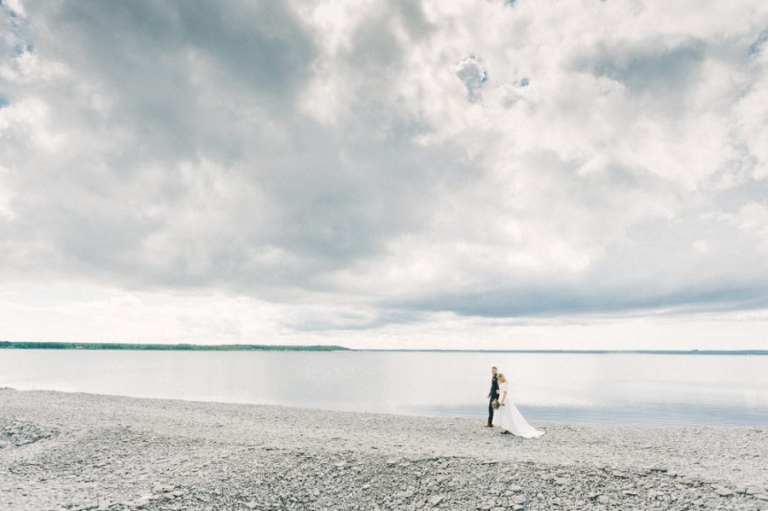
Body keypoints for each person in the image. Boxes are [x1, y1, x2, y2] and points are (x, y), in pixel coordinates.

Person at [492, 373, 545, 438]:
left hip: (504, 400)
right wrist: (499, 392)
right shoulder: (503, 383)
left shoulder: (504, 383)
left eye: (498, 378)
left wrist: (501, 401)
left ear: (500, 377)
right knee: (503, 413)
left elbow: (505, 393)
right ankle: (504, 427)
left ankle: (505, 428)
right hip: (502, 398)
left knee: (505, 413)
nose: (498, 379)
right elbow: (503, 392)